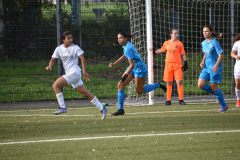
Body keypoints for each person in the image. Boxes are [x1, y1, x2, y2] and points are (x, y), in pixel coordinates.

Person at [45, 31, 108, 120]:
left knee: (55, 85)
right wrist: (50, 66)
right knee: (85, 93)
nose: (71, 40)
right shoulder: (59, 49)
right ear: (63, 40)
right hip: (71, 74)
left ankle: (62, 107)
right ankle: (102, 107)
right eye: (68, 38)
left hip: (74, 73)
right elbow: (53, 59)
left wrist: (84, 71)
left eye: (71, 38)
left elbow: (82, 58)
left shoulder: (75, 48)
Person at [109, 31, 166, 116]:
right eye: (118, 38)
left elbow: (131, 65)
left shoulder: (128, 47)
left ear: (125, 38)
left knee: (139, 91)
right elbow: (124, 55)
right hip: (134, 68)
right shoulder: (126, 45)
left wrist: (124, 77)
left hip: (140, 69)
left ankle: (158, 85)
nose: (119, 40)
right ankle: (120, 109)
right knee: (120, 85)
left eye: (120, 38)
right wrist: (114, 63)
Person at [197, 24, 228, 112]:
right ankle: (218, 93)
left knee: (214, 87)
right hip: (206, 68)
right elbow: (206, 53)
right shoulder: (203, 43)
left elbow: (221, 54)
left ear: (210, 32)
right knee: (200, 85)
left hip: (214, 68)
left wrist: (216, 65)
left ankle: (224, 105)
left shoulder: (214, 42)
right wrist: (203, 61)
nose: (204, 33)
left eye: (206, 31)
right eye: (203, 31)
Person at [155, 28, 188, 105]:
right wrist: (153, 51)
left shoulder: (180, 44)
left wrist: (185, 62)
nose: (176, 35)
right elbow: (162, 50)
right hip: (168, 65)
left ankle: (181, 100)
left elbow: (183, 54)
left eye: (177, 33)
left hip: (177, 65)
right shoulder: (166, 43)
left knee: (179, 82)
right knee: (169, 83)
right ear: (171, 34)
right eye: (175, 33)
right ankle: (168, 100)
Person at [230, 33, 240, 108]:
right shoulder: (237, 43)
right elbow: (232, 53)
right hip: (238, 66)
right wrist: (236, 56)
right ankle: (238, 99)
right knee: (238, 84)